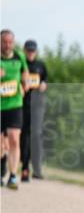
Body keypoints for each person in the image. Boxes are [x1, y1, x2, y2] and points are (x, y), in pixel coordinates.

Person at [0, 29, 30, 190]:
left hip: (15, 104)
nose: (7, 45)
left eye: (10, 42)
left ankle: (12, 175)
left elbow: (25, 73)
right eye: (4, 42)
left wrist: (25, 83)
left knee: (13, 138)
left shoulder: (19, 56)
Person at [20, 39, 47, 181]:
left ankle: (37, 169)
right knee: (24, 136)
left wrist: (43, 84)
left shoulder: (41, 65)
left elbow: (45, 80)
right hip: (22, 105)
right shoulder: (20, 65)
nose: (31, 53)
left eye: (33, 50)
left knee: (36, 135)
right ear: (24, 50)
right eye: (29, 50)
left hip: (37, 105)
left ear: (36, 51)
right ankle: (24, 166)